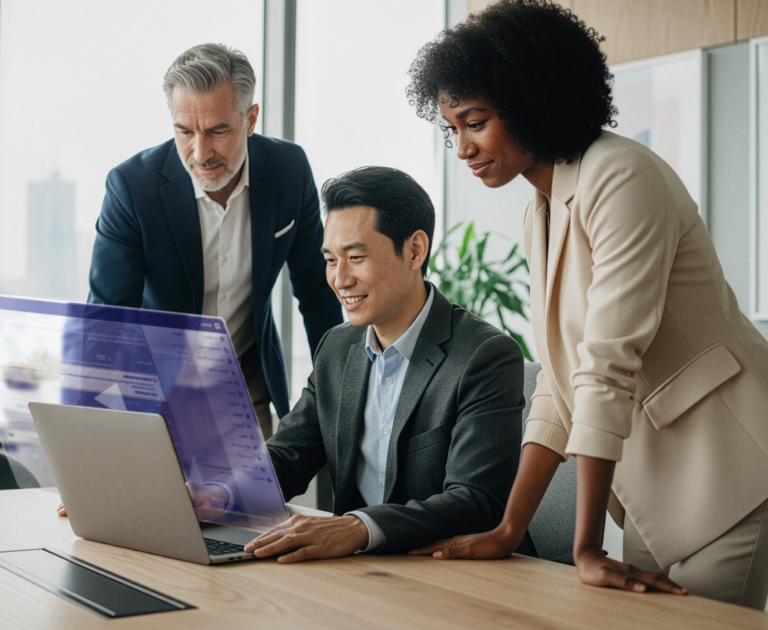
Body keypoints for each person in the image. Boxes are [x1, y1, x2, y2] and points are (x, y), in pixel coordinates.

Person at [405, 0, 768, 610]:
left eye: (476, 121)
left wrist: (586, 548)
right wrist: (509, 529)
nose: (463, 147)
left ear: (530, 99)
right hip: (659, 494)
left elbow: (606, 362)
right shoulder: (539, 211)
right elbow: (560, 381)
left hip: (729, 469)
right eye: (454, 129)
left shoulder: (623, 177)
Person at [237, 166, 531, 562]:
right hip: (362, 575)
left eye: (356, 257)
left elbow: (476, 501)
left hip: (456, 574)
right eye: (330, 260)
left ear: (414, 250)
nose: (340, 279)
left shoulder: (485, 355)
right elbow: (288, 458)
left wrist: (358, 528)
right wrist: (217, 495)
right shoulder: (337, 348)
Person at [87, 43, 342, 438]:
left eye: (218, 131)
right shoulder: (132, 188)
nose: (200, 153)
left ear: (251, 118)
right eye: (184, 132)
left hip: (244, 378)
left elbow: (317, 291)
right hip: (155, 385)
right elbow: (107, 320)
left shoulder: (289, 171)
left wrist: (339, 395)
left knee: (252, 499)